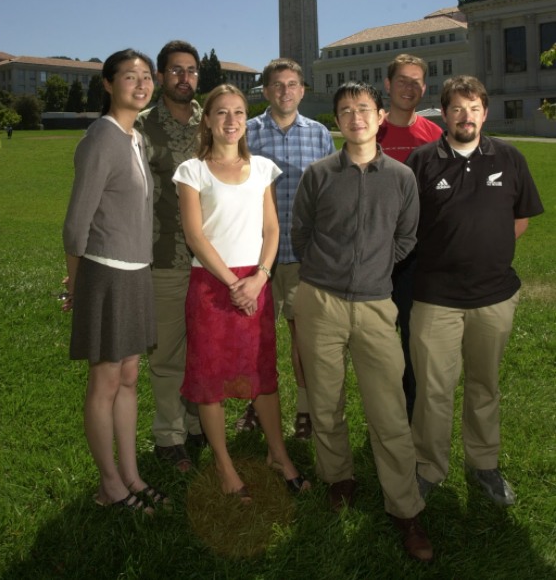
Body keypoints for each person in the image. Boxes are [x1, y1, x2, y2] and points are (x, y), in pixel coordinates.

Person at [291, 81, 433, 564]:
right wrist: (326, 276)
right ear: (337, 121)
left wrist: (374, 272)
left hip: (376, 305)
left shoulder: (401, 177)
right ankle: (340, 479)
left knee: (389, 410)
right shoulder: (318, 175)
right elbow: (301, 233)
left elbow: (407, 236)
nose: (356, 118)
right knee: (326, 403)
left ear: (379, 118)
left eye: (364, 109)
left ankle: (404, 507)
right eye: (346, 111)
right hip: (320, 302)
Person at [406, 76, 544, 507]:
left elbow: (520, 220)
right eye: (457, 109)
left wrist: (486, 250)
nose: (466, 117)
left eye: (474, 108)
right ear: (443, 114)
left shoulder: (509, 156)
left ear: (485, 112)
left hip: (494, 297)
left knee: (484, 385)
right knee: (432, 390)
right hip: (434, 298)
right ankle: (428, 467)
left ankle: (483, 464)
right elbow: (406, 226)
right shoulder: (422, 160)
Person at [174, 84, 310, 501]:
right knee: (211, 380)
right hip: (213, 288)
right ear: (208, 120)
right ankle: (224, 465)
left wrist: (260, 277)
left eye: (237, 112)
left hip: (256, 284)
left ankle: (278, 455)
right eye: (221, 113)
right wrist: (234, 284)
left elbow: (272, 229)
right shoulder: (191, 171)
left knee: (262, 377)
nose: (231, 121)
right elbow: (196, 236)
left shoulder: (263, 168)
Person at [62, 49, 167, 514]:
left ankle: (131, 474)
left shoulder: (135, 138)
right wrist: (76, 285)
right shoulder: (101, 138)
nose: (141, 84)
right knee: (105, 382)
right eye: (130, 76)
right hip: (104, 274)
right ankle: (109, 485)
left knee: (128, 377)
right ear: (108, 84)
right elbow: (75, 224)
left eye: (146, 76)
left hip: (136, 272)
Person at [235, 58, 335, 439]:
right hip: (255, 253)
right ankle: (257, 403)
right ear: (265, 91)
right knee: (256, 336)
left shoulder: (320, 134)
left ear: (303, 90)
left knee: (302, 337)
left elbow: (326, 193)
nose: (285, 91)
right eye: (277, 85)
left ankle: (306, 410)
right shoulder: (246, 131)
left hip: (301, 254)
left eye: (292, 84)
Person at [135, 40, 204, 474]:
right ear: (161, 77)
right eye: (176, 70)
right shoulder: (142, 127)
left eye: (191, 70)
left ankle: (198, 424)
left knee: (202, 347)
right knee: (167, 353)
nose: (184, 78)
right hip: (165, 256)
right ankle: (168, 436)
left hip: (212, 259)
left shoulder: (211, 121)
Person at [376, 54, 442, 421]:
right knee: (382, 342)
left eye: (416, 81)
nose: (409, 87)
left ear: (425, 88)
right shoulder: (372, 131)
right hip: (378, 256)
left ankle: (413, 412)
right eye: (402, 80)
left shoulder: (434, 136)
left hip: (422, 256)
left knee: (416, 339)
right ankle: (386, 413)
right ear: (387, 85)